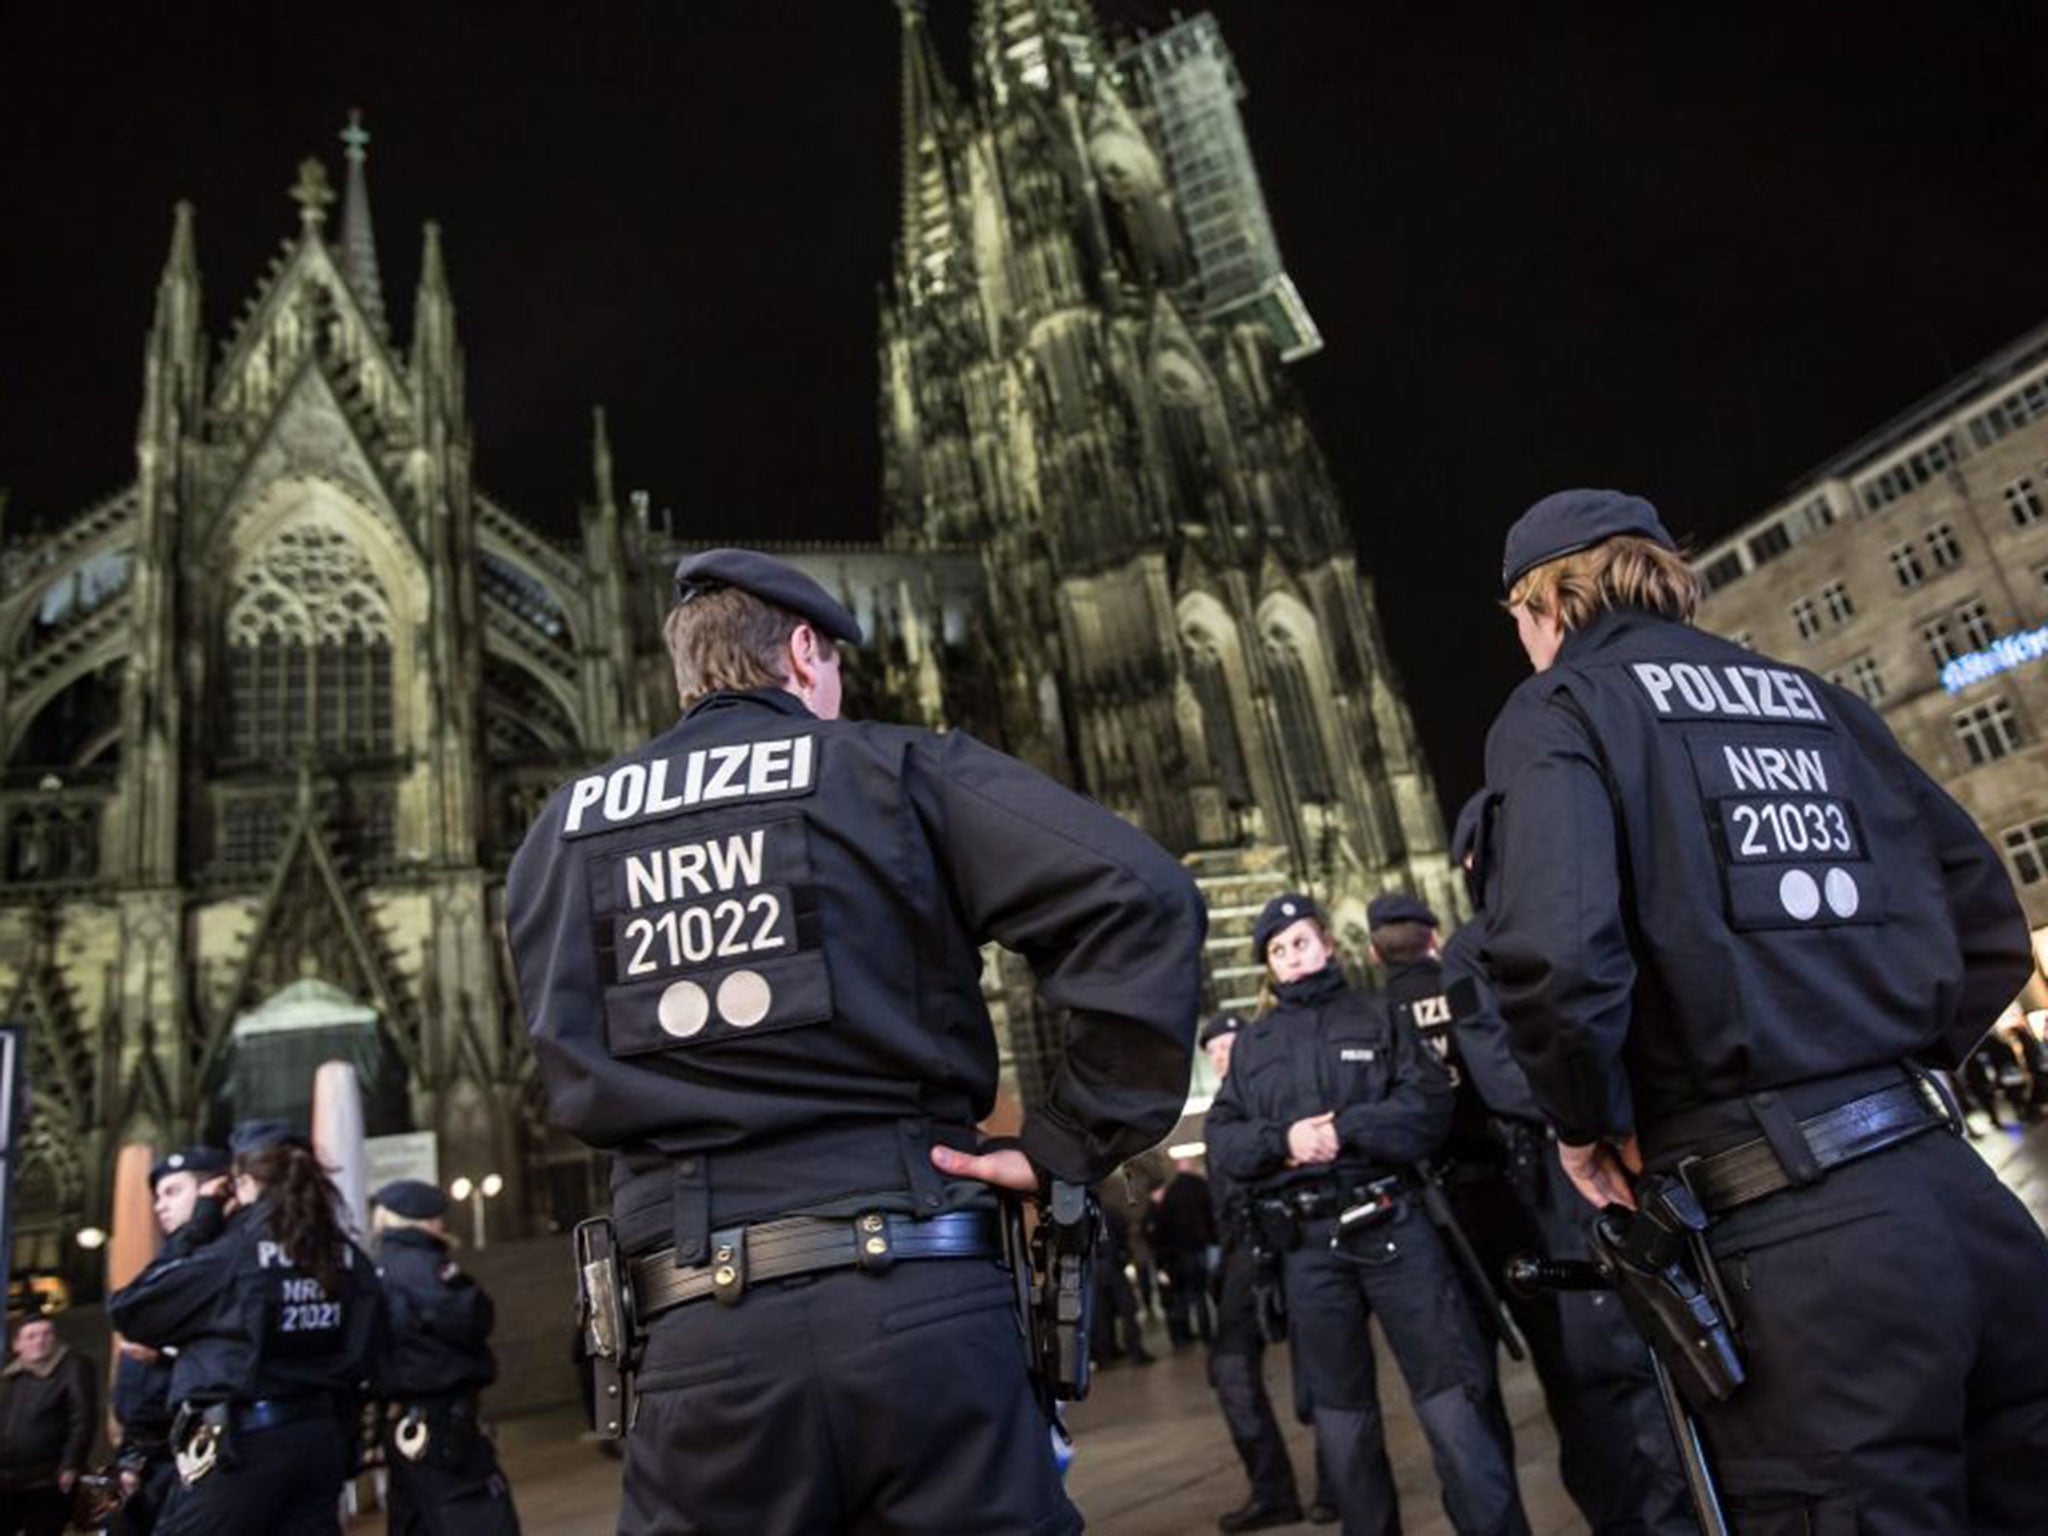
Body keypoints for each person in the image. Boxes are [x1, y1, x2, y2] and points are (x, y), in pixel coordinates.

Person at [506, 547, 1204, 1535]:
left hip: (694, 1331)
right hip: (918, 1296)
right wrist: (1063, 1144)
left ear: (687, 670)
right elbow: (1144, 898)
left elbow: (558, 1054)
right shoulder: (892, 766)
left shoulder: (558, 836)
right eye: (833, 662)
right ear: (801, 651)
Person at [1478, 487, 2048, 1532]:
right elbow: (1986, 922)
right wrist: (1874, 1067)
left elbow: (1557, 957)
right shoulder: (1809, 697)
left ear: (1546, 602)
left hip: (1797, 1252)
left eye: (1516, 621)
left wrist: (1585, 1124)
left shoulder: (1562, 708)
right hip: (1964, 1209)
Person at [1371, 882, 1692, 1536]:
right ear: (1430, 934)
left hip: (1435, 1214)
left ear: (1374, 953)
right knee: (1575, 1368)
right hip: (1523, 1191)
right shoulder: (1474, 963)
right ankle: (1620, 1515)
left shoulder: (1375, 1015)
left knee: (1464, 1392)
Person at [1206, 892, 1530, 1536]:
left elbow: (1427, 1108)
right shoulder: (1253, 1047)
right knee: (1343, 1422)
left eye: (1301, 941)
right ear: (1270, 967)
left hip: (1394, 1227)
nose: (1292, 956)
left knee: (1452, 1407)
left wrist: (1346, 1129)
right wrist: (1286, 1141)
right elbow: (1224, 1140)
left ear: (1327, 944)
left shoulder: (1379, 1016)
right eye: (1278, 950)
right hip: (1307, 1245)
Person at [107, 1120, 383, 1536]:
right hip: (321, 1439)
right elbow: (368, 1347)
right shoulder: (344, 1255)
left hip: (244, 1447)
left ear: (241, 1183)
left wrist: (197, 1226)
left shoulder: (235, 1254)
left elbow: (131, 1309)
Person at [1200, 1013, 1305, 1534]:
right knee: (1231, 1368)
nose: (1222, 1055)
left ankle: (1338, 1480)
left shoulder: (1277, 1093)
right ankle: (1273, 1490)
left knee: (1320, 1365)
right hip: (1245, 1248)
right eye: (1214, 1049)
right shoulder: (1220, 1113)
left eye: (1230, 1044)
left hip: (1292, 1237)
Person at [372, 1179, 521, 1534]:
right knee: (476, 1513)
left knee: (416, 1519)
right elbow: (471, 1316)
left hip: (403, 1418)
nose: (442, 1224)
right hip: (442, 1416)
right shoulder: (425, 1267)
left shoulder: (377, 1265)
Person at [111, 1146, 231, 1535]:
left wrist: (164, 1354)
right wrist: (130, 1456)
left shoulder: (223, 1256)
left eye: (173, 1192)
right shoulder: (173, 1257)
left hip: (209, 1448)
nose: (160, 1207)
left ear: (214, 1189)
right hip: (153, 1456)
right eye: (158, 1196)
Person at [0, 1314, 96, 1536]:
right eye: (31, 1336)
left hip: (48, 1478)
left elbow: (82, 1419)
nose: (40, 1341)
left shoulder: (73, 1367)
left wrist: (71, 1463)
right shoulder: (11, 1377)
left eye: (46, 1334)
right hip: (7, 1478)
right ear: (17, 1345)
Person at [1145, 1159, 1216, 1346]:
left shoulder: (1172, 1195)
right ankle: (1206, 1331)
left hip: (1178, 1254)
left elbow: (1160, 1233)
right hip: (1200, 1246)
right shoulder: (1200, 1186)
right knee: (1201, 1293)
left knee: (1183, 1295)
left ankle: (1184, 1335)